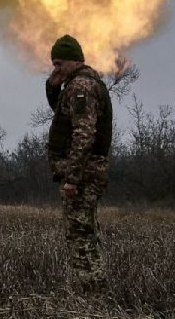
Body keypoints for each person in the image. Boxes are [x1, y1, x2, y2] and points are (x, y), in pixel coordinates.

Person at [46, 35, 113, 289]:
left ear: (75, 60)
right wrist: (52, 88)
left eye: (59, 63)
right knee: (85, 230)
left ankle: (92, 292)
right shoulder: (79, 84)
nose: (56, 68)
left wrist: (73, 178)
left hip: (84, 174)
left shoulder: (81, 87)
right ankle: (95, 287)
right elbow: (64, 116)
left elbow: (83, 134)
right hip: (87, 171)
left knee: (80, 233)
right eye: (54, 64)